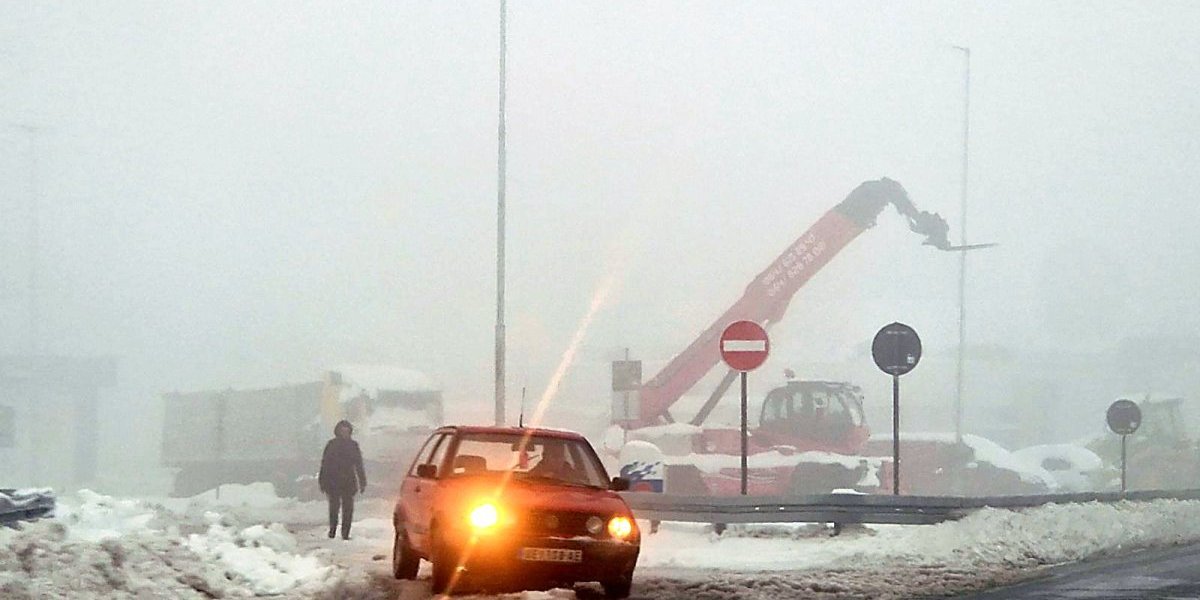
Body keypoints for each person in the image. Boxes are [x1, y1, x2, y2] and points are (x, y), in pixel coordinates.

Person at [318, 420, 366, 540]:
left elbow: (358, 464)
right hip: (333, 480)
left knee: (348, 509)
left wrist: (362, 481)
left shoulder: (353, 445)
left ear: (350, 432)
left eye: (347, 431)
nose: (345, 433)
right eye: (342, 431)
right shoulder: (331, 445)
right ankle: (332, 530)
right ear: (337, 431)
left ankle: (345, 533)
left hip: (348, 481)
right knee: (334, 508)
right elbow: (325, 463)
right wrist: (322, 480)